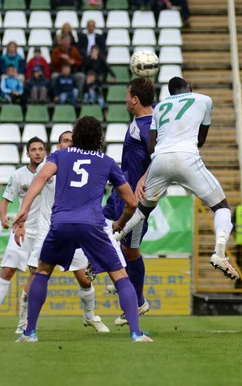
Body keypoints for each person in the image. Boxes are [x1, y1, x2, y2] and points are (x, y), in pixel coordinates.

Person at [11, 117, 152, 343]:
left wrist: (24, 208)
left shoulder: (59, 155)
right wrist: (122, 221)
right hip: (92, 224)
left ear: (75, 137)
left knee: (43, 272)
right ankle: (136, 333)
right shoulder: (106, 162)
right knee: (120, 276)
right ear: (99, 139)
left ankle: (30, 333)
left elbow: (42, 177)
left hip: (61, 223)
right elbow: (132, 202)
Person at [114, 77, 240, 281]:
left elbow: (151, 147)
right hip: (187, 157)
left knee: (144, 209)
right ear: (189, 88)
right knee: (222, 207)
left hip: (160, 159)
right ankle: (219, 251)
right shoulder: (204, 100)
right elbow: (201, 139)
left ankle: (116, 236)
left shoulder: (160, 107)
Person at [0, 135, 109, 335]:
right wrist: (22, 221)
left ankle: (90, 316)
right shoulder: (48, 167)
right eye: (66, 141)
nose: (70, 143)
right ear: (58, 147)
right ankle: (24, 322)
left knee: (85, 279)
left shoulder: (82, 169)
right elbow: (32, 195)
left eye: (72, 140)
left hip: (73, 230)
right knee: (35, 275)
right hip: (46, 230)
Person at [101, 78, 155, 326]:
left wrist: (143, 180)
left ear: (135, 99)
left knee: (131, 250)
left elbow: (158, 157)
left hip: (135, 199)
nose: (124, 99)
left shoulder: (146, 126)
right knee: (107, 232)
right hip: (122, 194)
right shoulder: (142, 122)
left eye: (127, 95)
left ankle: (138, 300)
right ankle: (124, 282)